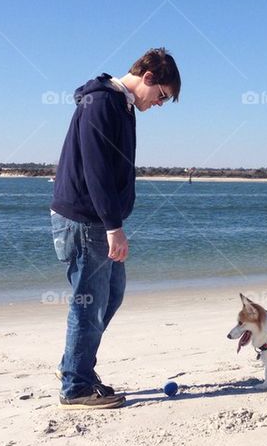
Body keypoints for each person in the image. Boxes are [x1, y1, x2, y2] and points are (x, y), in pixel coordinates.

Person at [50, 48, 181, 408]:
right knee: (88, 302)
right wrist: (112, 226)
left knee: (112, 293)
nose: (159, 104)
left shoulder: (122, 106)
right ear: (149, 77)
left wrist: (115, 221)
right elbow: (96, 170)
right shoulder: (102, 103)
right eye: (162, 96)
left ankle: (74, 368)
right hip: (85, 220)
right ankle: (75, 386)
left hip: (101, 220)